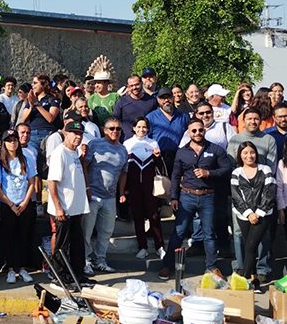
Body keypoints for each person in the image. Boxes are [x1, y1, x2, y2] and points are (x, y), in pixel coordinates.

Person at [159, 118, 231, 281]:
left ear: (204, 130)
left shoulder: (215, 149)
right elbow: (175, 175)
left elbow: (226, 169)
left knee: (209, 234)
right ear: (188, 132)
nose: (198, 133)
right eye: (194, 130)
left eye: (200, 130)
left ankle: (211, 267)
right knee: (179, 232)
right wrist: (174, 197)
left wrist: (209, 173)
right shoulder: (182, 152)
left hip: (208, 196)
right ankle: (167, 265)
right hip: (187, 196)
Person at [227, 107, 277, 280]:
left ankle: (262, 269)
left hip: (263, 195)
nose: (253, 121)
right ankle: (242, 268)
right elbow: (231, 164)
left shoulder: (268, 139)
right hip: (242, 196)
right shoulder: (235, 139)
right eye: (249, 118)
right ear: (244, 120)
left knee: (262, 236)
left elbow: (271, 167)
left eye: (256, 118)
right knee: (239, 234)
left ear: (260, 120)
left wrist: (261, 206)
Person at [47, 121, 92, 288]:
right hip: (64, 209)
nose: (78, 137)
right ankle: (58, 277)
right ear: (66, 133)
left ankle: (77, 275)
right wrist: (58, 207)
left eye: (80, 134)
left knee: (77, 245)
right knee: (62, 245)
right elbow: (52, 182)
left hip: (76, 208)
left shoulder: (75, 152)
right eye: (74, 133)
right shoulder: (60, 153)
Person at [82, 117, 128, 274]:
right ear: (104, 130)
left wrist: (121, 192)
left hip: (110, 197)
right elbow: (84, 166)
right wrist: (87, 187)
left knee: (106, 231)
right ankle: (85, 260)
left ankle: (100, 259)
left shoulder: (123, 150)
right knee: (87, 231)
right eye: (111, 128)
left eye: (118, 129)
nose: (115, 131)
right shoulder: (94, 144)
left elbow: (123, 173)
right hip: (93, 195)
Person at [0, 129, 36, 284]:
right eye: (9, 140)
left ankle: (21, 267)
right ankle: (10, 268)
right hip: (8, 205)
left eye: (14, 140)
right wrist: (11, 205)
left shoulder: (26, 160)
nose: (12, 143)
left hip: (23, 204)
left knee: (23, 236)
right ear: (4, 143)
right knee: (9, 237)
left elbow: (32, 183)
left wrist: (25, 202)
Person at [230, 142, 276, 293]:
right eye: (245, 153)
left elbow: (270, 192)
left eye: (252, 152)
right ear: (240, 155)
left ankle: (243, 279)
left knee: (251, 246)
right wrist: (249, 213)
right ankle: (254, 280)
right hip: (244, 216)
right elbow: (236, 196)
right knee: (249, 246)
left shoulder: (265, 169)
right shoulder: (236, 172)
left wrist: (259, 212)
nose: (249, 156)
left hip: (263, 215)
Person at [123, 117, 166, 260]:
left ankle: (160, 247)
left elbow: (159, 166)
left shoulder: (153, 143)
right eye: (139, 127)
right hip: (133, 186)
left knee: (154, 216)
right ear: (134, 128)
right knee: (138, 216)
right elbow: (124, 168)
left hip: (150, 186)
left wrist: (157, 157)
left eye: (144, 127)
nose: (141, 129)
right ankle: (142, 247)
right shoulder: (127, 144)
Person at [146, 87, 189, 174]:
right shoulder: (151, 117)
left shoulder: (183, 117)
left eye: (168, 97)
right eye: (162, 98)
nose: (166, 100)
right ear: (158, 100)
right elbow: (146, 139)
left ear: (173, 98)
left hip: (179, 157)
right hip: (159, 158)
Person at [21, 74, 61, 151]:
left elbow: (50, 118)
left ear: (43, 85)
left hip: (47, 133)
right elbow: (23, 119)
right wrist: (31, 106)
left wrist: (37, 104)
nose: (32, 85)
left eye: (35, 83)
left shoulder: (52, 99)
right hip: (32, 134)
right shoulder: (30, 100)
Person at [112, 74, 157, 140]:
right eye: (131, 86)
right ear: (128, 87)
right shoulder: (122, 102)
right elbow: (115, 121)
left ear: (141, 83)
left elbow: (156, 121)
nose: (134, 87)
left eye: (137, 84)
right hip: (126, 141)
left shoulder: (151, 101)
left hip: (147, 141)